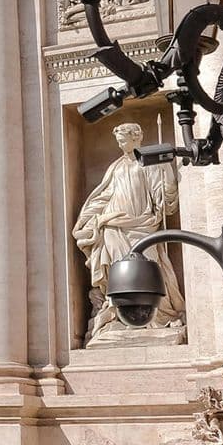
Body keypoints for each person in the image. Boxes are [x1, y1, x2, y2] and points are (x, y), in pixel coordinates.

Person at [73, 121, 185, 342]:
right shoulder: (116, 167)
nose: (120, 144)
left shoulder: (150, 162)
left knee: (150, 266)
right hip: (113, 225)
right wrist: (86, 220)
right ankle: (121, 316)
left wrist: (165, 191)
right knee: (118, 270)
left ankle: (159, 315)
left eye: (123, 140)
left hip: (142, 223)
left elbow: (163, 195)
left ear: (137, 138)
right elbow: (104, 196)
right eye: (118, 141)